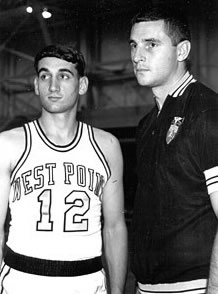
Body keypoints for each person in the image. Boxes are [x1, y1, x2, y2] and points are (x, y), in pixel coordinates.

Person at [0, 44, 128, 294]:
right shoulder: (8, 144)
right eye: (45, 75)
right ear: (36, 84)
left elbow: (114, 227)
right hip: (22, 281)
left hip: (87, 282)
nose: (53, 86)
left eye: (64, 75)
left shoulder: (107, 145)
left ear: (82, 85)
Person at [128, 4, 218, 294]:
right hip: (147, 286)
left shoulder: (208, 112)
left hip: (195, 286)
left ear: (182, 51)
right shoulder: (147, 123)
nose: (137, 56)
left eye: (151, 44)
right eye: (134, 45)